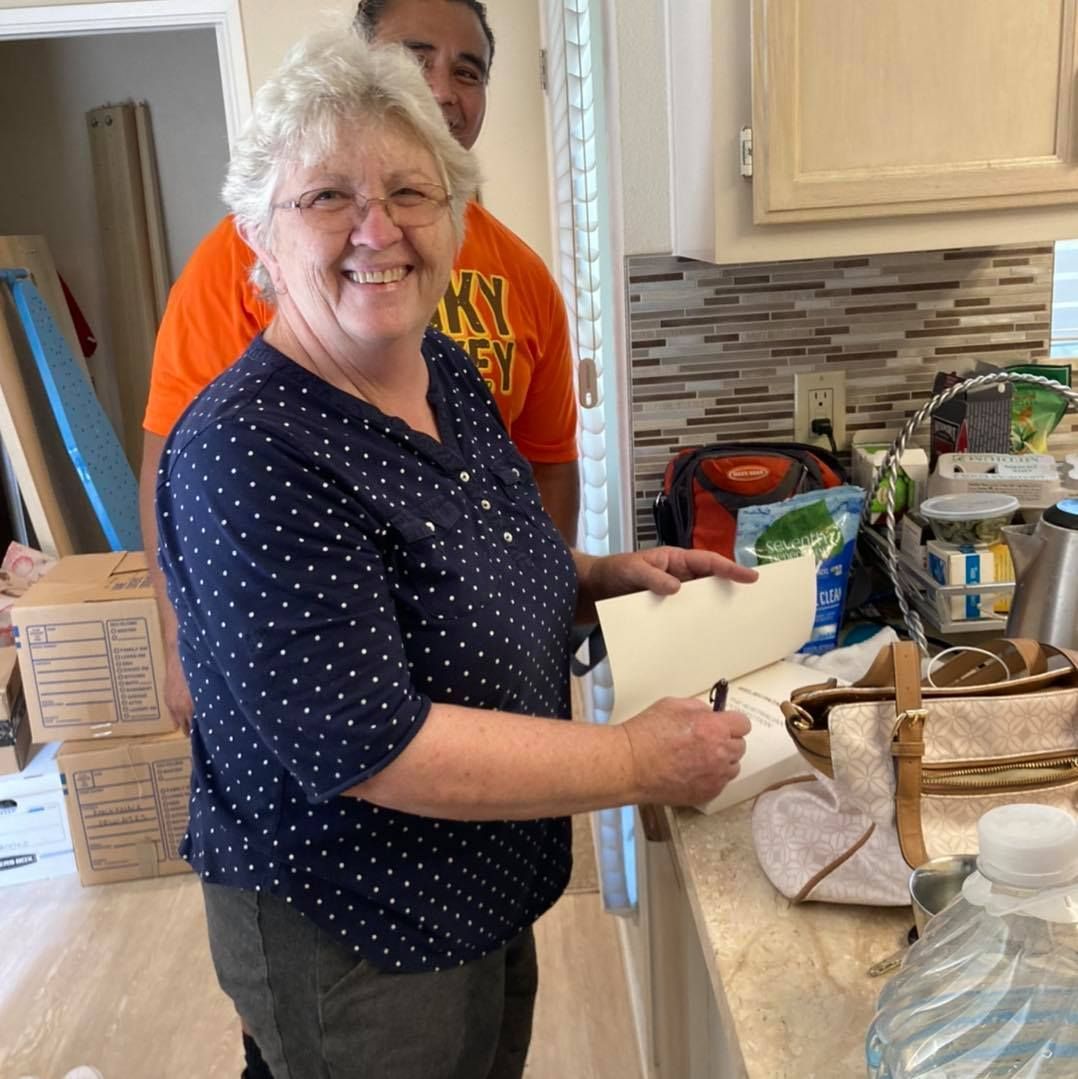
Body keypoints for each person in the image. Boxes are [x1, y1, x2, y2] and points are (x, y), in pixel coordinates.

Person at [155, 32, 755, 1079]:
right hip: (351, 925)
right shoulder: (245, 451)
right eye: (328, 196)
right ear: (258, 231)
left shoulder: (438, 367)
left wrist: (603, 579)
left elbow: (477, 564)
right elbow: (373, 745)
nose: (377, 228)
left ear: (454, 214)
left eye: (409, 192)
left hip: (479, 874)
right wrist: (633, 760)